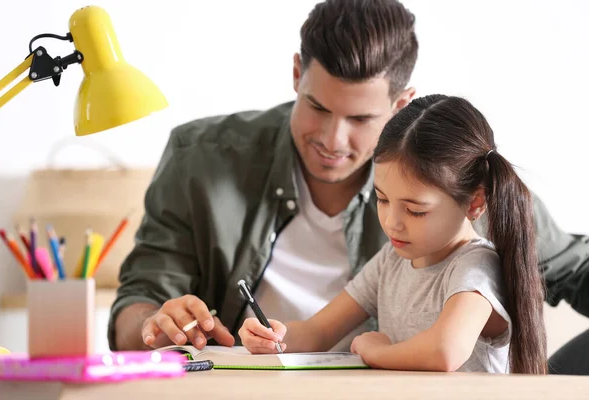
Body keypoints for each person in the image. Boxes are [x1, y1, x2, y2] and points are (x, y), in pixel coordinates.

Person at [109, 0, 589, 374]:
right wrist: (158, 326)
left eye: (360, 119)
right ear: (297, 74)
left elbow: (572, 269)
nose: (331, 140)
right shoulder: (201, 158)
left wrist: (373, 347)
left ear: (402, 103)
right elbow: (140, 302)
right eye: (317, 107)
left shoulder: (456, 179)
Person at [238, 94, 547, 374]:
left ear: (475, 202)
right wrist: (275, 336)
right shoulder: (392, 261)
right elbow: (318, 331)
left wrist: (378, 352)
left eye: (415, 211)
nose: (392, 223)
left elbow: (445, 351)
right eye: (382, 199)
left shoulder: (476, 267)